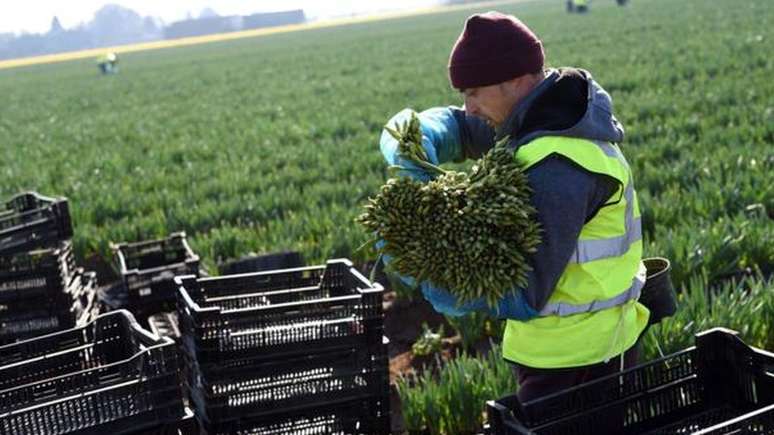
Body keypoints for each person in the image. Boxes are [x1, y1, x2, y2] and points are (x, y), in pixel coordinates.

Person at [379, 11, 650, 404]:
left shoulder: (560, 166)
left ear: (517, 80)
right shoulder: (540, 118)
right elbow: (464, 128)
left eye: (473, 92)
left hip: (583, 360)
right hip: (559, 349)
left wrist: (437, 278)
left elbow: (524, 291)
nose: (469, 107)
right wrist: (420, 135)